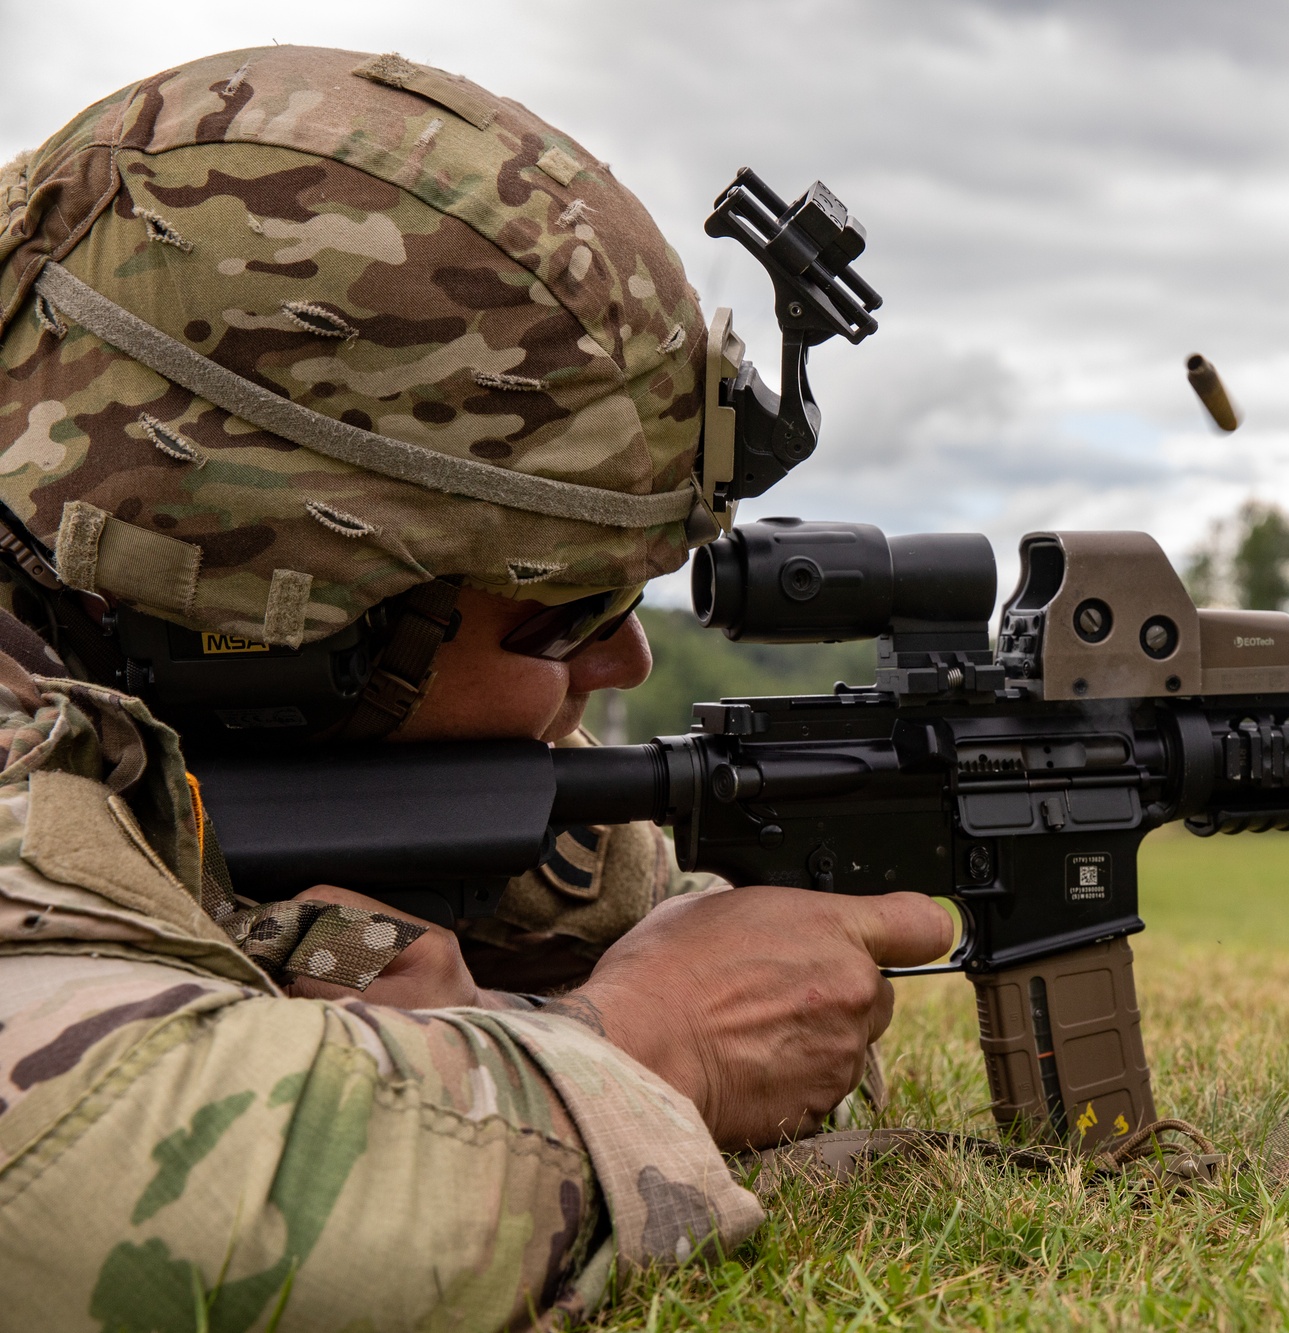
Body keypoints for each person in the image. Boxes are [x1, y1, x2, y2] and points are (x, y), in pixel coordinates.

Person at [0, 45, 951, 1328]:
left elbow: (729, 967)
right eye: (567, 617)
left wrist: (546, 1014)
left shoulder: (195, 716)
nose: (627, 664)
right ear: (277, 609)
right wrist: (657, 1039)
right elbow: (150, 1211)